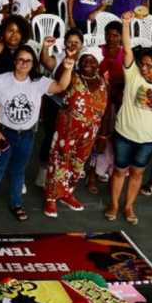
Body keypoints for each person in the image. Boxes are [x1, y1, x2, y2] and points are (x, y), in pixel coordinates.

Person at [0, 45, 74, 221]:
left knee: (19, 171)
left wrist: (67, 68)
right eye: (20, 60)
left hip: (27, 135)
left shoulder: (39, 82)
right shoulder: (1, 79)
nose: (23, 64)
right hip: (5, 133)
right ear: (15, 62)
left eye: (28, 61)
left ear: (33, 64)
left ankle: (16, 203)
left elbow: (61, 86)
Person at [105, 11, 152, 225]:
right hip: (124, 134)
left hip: (148, 140)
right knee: (119, 172)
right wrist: (126, 23)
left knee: (137, 174)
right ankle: (114, 204)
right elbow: (127, 48)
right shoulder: (133, 74)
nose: (145, 68)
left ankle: (128, 206)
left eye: (150, 66)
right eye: (143, 64)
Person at [43, 48, 108, 218]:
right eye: (84, 59)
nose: (87, 63)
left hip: (90, 132)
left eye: (92, 60)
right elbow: (59, 81)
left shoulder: (102, 82)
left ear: (98, 64)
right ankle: (51, 197)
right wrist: (67, 65)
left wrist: (103, 135)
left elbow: (106, 110)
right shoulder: (73, 76)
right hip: (68, 128)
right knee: (59, 161)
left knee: (78, 164)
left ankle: (67, 193)